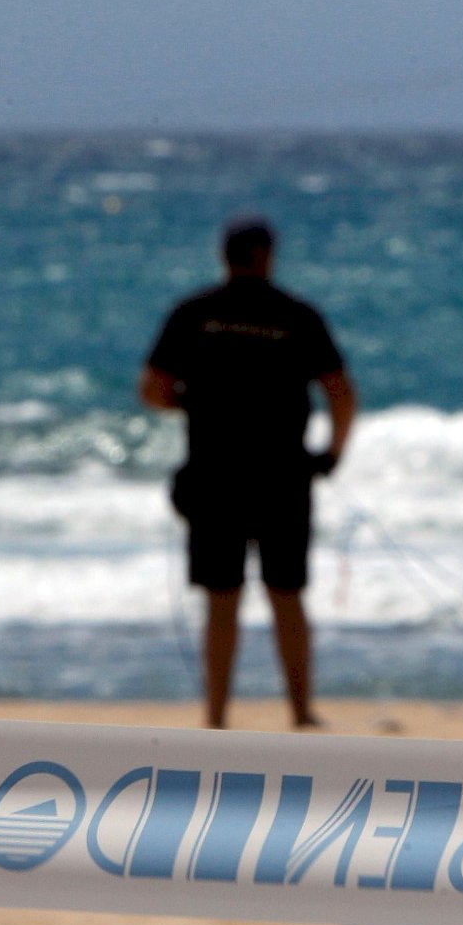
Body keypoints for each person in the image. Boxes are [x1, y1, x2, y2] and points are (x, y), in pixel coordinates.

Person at [140, 215, 357, 731]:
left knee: (221, 600)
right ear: (267, 255)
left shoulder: (194, 313)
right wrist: (332, 455)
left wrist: (193, 403)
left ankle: (216, 717)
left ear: (224, 255)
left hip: (214, 476)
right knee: (287, 596)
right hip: (282, 477)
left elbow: (152, 389)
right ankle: (300, 712)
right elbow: (341, 393)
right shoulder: (297, 315)